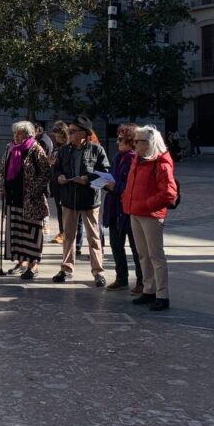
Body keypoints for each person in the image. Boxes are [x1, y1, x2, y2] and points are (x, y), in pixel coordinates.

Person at [122, 125, 178, 311]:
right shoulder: (138, 159)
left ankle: (162, 295)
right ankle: (149, 290)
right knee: (143, 255)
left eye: (139, 141)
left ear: (150, 143)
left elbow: (169, 193)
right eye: (135, 141)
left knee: (155, 256)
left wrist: (147, 204)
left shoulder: (161, 162)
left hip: (150, 215)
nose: (135, 144)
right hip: (135, 212)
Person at [53, 115, 110, 286]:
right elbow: (56, 170)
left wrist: (88, 179)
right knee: (68, 236)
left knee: (93, 237)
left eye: (73, 131)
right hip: (69, 199)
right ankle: (66, 268)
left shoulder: (97, 150)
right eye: (69, 131)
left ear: (84, 133)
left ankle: (98, 272)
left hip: (90, 200)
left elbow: (105, 172)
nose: (69, 134)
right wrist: (60, 177)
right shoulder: (64, 150)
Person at [0, 120, 51, 280]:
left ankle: (33, 265)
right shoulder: (10, 148)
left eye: (20, 133)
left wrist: (34, 190)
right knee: (17, 231)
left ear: (28, 135)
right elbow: (3, 169)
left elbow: (45, 173)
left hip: (31, 200)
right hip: (13, 198)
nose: (16, 136)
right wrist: (2, 187)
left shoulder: (35, 149)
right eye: (15, 133)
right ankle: (20, 262)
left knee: (32, 232)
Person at [103, 124, 143, 294]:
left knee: (136, 248)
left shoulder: (135, 159)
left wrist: (115, 186)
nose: (117, 142)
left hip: (127, 209)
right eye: (118, 138)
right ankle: (121, 278)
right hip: (114, 207)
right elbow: (113, 177)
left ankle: (141, 281)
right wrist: (106, 183)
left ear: (131, 141)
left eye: (121, 139)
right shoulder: (118, 157)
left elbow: (132, 187)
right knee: (116, 245)